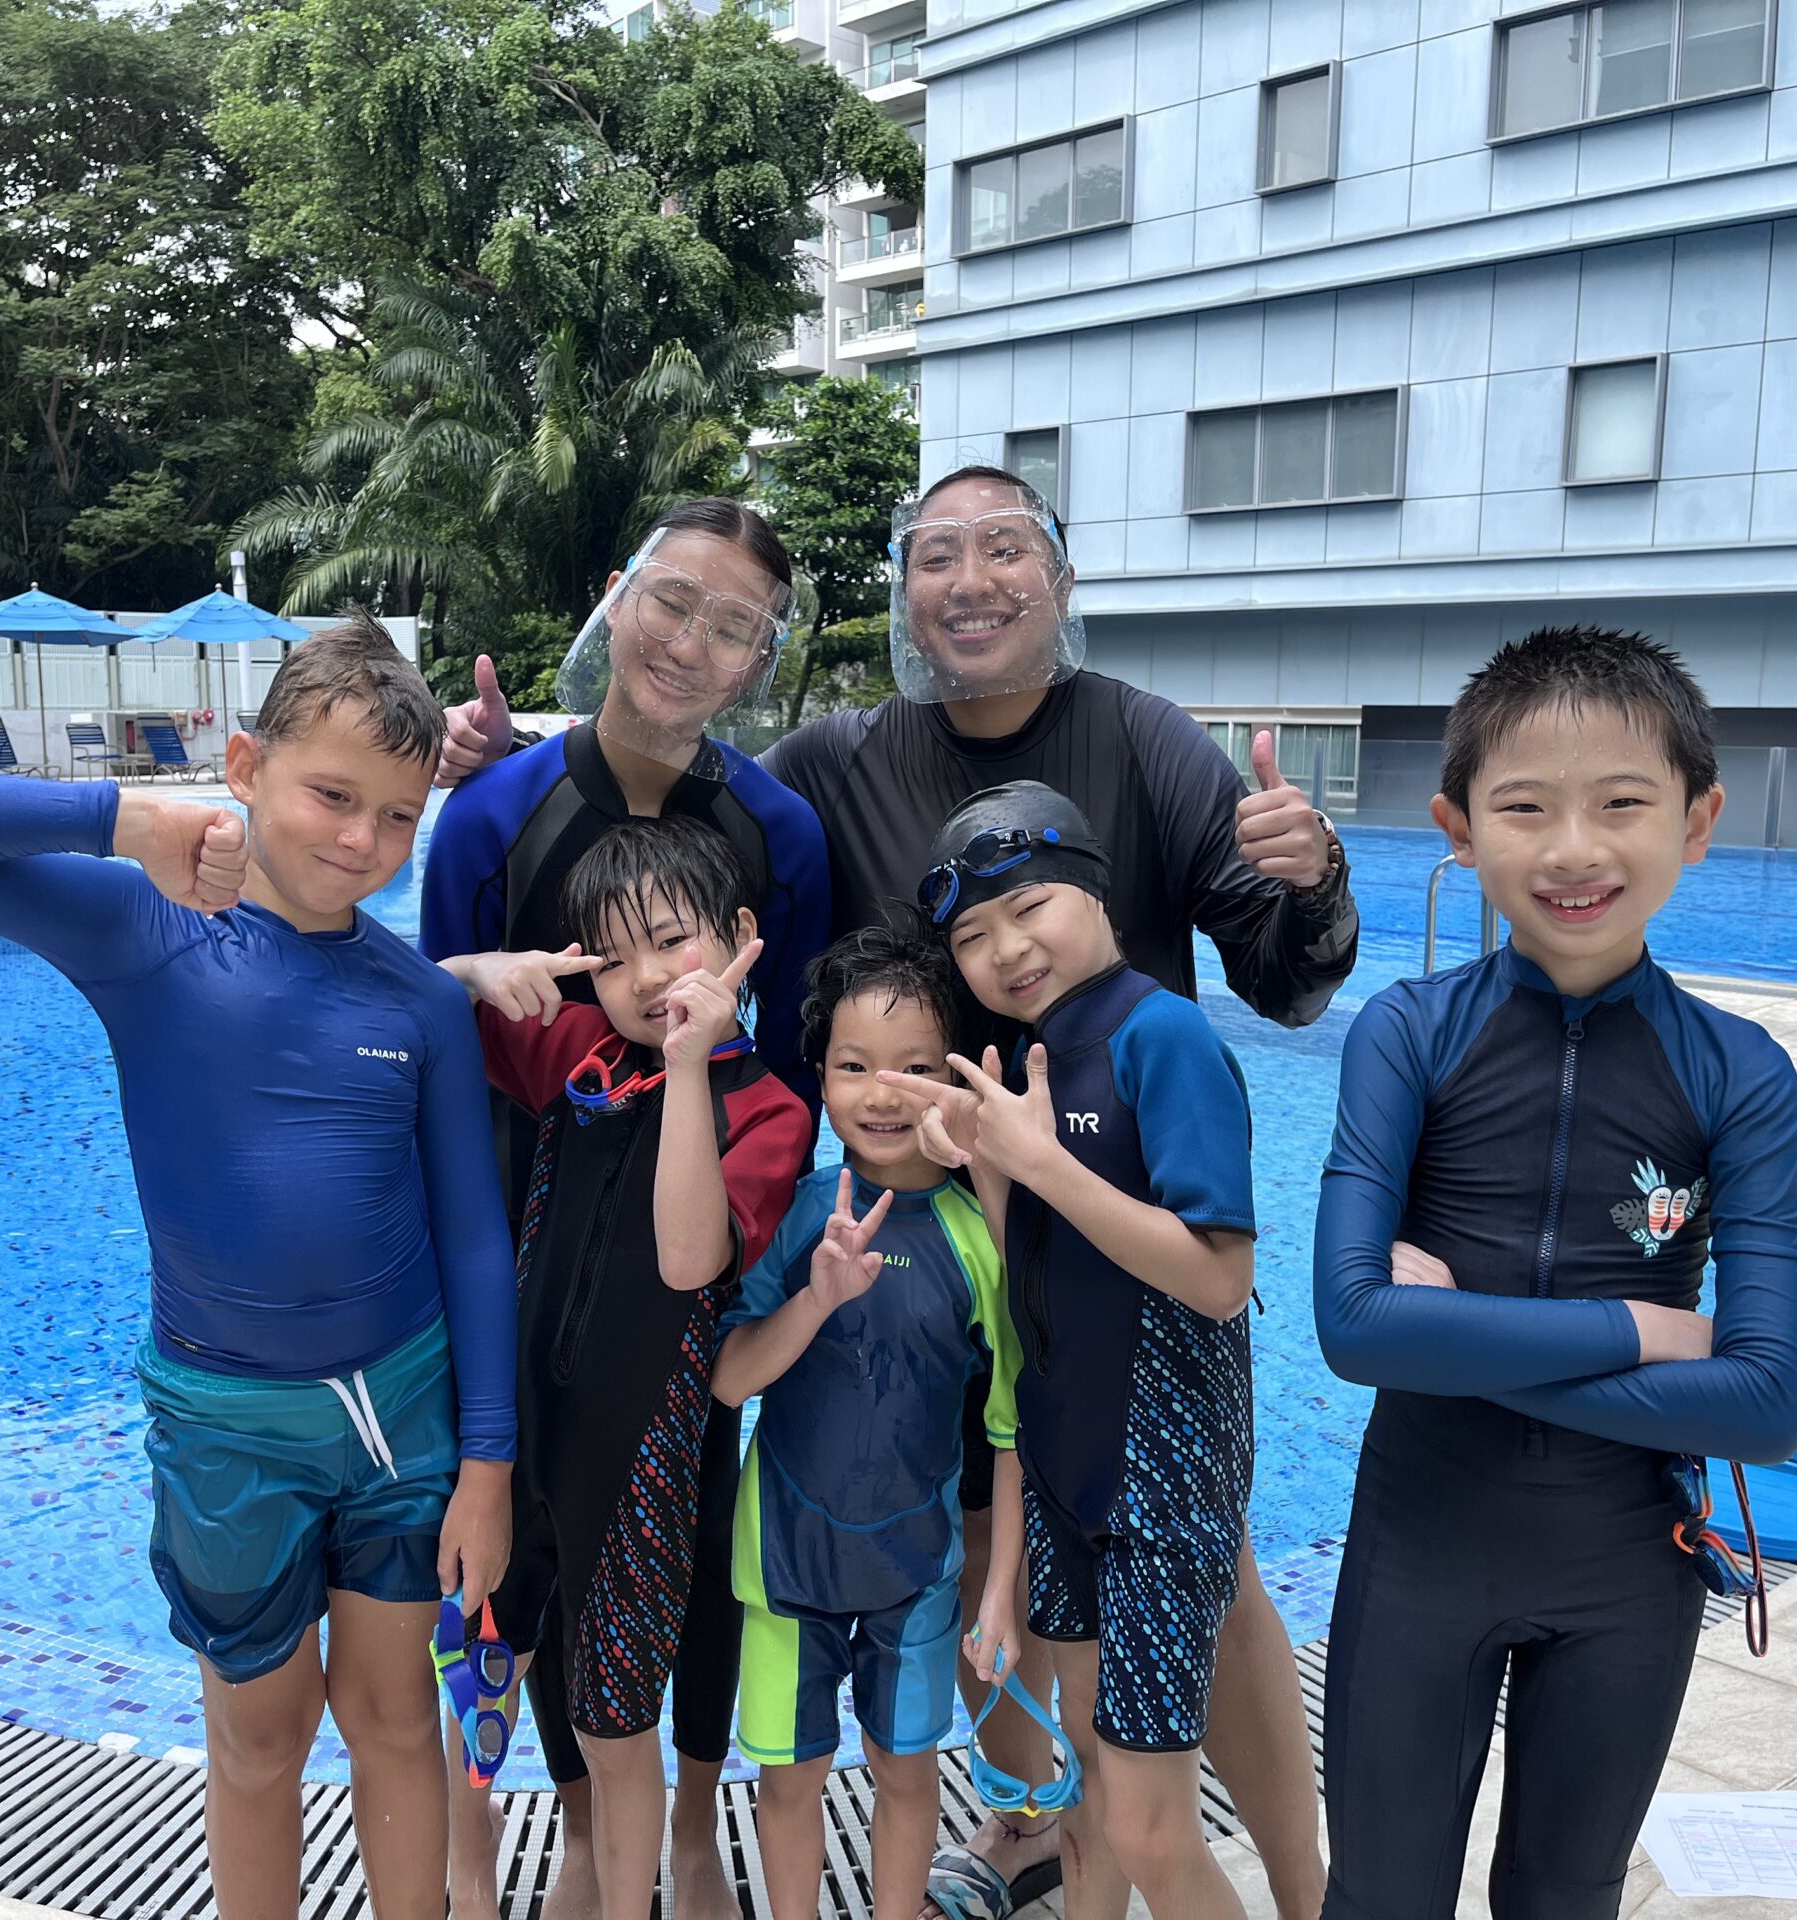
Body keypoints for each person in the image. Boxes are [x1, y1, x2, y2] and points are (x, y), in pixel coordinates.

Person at [437, 465, 1347, 1919]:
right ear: (903, 589)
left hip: (1116, 1227)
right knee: (986, 1538)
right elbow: (654, 812)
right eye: (937, 556)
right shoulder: (840, 758)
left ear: (1059, 576)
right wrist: (495, 760)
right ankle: (1046, 1827)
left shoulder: (1146, 739)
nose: (971, 580)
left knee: (1198, 1566)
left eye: (1006, 550)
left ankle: (1305, 1890)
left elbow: (1284, 969)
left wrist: (1310, 877)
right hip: (925, 1221)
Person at [0, 615, 515, 1920]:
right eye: (331, 795)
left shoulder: (422, 1003)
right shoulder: (140, 930)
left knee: (394, 1719)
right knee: (258, 1737)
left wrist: (486, 1467)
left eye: (394, 816)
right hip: (224, 1423)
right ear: (246, 765)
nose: (360, 843)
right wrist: (120, 819)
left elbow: (476, 1239)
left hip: (406, 1412)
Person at [1313, 626, 1797, 1920]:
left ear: (1697, 822)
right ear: (1459, 828)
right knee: (1380, 1899)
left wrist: (1460, 1337)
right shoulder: (1410, 1036)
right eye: (1525, 807)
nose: (1575, 848)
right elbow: (1356, 1330)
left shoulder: (1738, 1074)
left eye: (1623, 804)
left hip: (1626, 1572)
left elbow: (1765, 1405)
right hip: (1422, 1549)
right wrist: (1644, 1337)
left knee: (1564, 1896)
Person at [420, 497, 829, 1920]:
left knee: (679, 1576)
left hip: (688, 1306)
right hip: (531, 1299)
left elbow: (790, 1056)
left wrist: (760, 1285)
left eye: (735, 627)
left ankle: (686, 1833)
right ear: (617, 598)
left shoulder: (778, 830)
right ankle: (571, 1838)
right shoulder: (492, 813)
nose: (691, 643)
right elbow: (439, 1050)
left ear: (758, 660)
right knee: (517, 1579)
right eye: (673, 602)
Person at [884, 780, 1260, 1920]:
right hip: (1066, 1473)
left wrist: (1040, 1163)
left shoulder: (1163, 1035)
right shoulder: (1039, 1061)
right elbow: (1040, 1275)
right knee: (1096, 1793)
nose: (1005, 950)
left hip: (1158, 1482)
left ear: (1096, 891)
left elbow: (1215, 1275)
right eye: (971, 937)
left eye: (1028, 909)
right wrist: (996, 1169)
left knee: (1149, 1824)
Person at [711, 928, 1023, 1920]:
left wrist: (1002, 1589)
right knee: (790, 1778)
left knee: (903, 1766)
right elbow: (726, 1382)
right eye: (853, 1067)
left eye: (914, 1069)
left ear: (959, 1081)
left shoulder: (978, 1241)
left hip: (917, 1567)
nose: (882, 1094)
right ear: (820, 1077)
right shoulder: (796, 1216)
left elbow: (1013, 1430)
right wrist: (813, 1300)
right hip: (786, 1561)